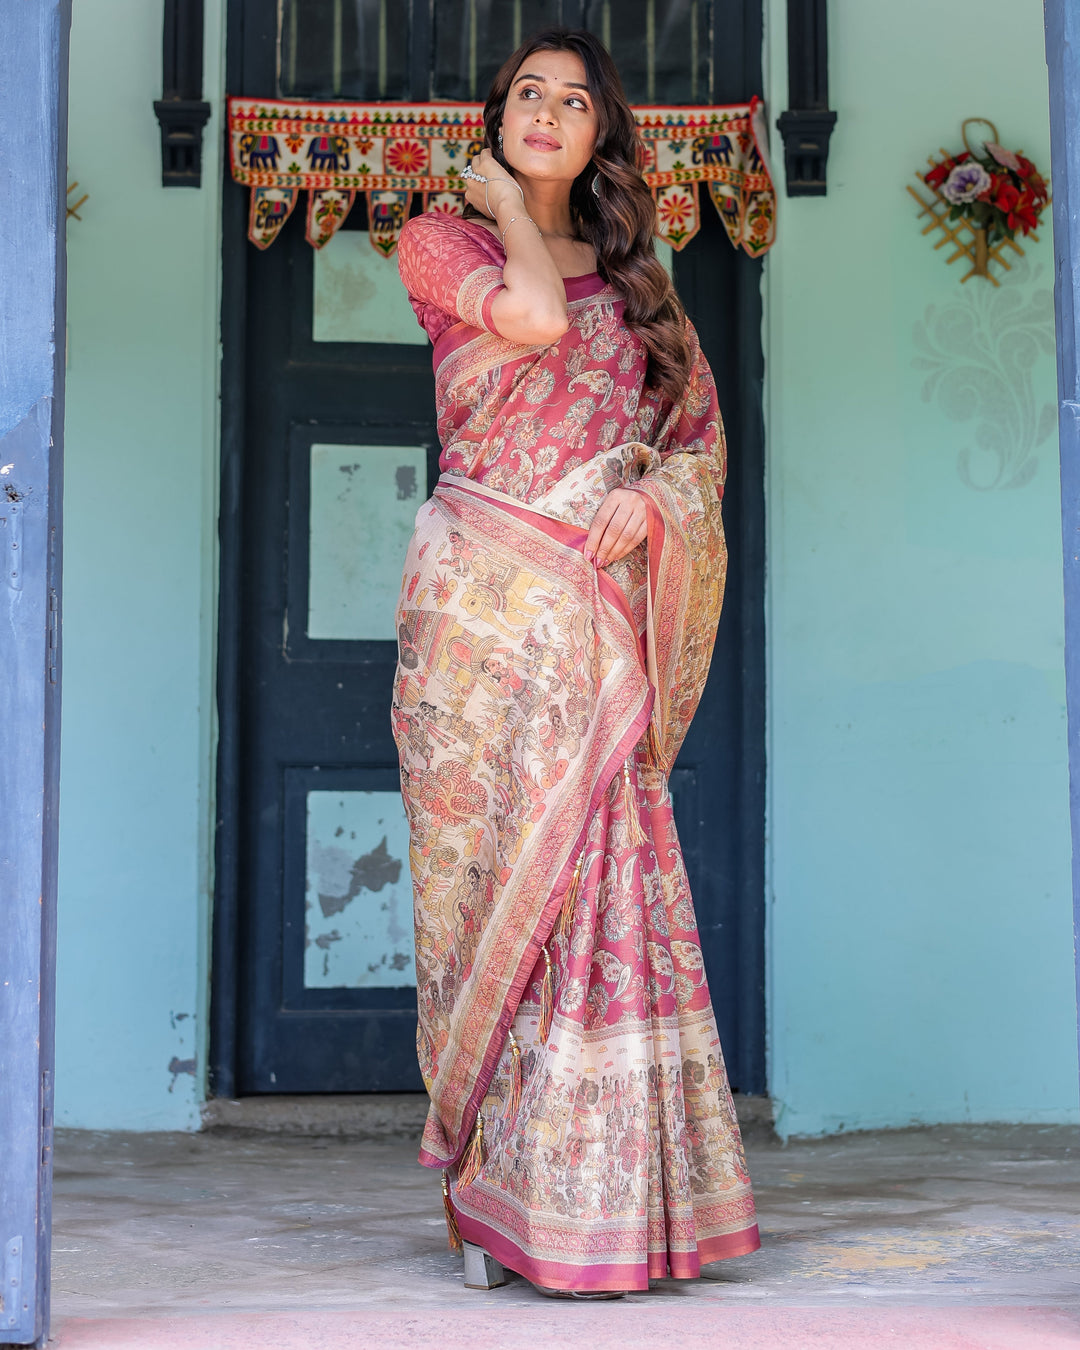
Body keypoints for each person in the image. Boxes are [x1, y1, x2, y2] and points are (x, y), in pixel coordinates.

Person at [391, 26, 760, 1298]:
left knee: (597, 891)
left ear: (604, 132)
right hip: (478, 626)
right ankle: (488, 1196)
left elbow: (698, 445)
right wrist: (500, 202)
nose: (547, 114)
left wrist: (657, 500)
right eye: (526, 96)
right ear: (498, 119)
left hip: (591, 627)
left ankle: (603, 1206)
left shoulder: (639, 283)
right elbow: (536, 320)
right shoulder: (446, 243)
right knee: (487, 891)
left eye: (574, 101)